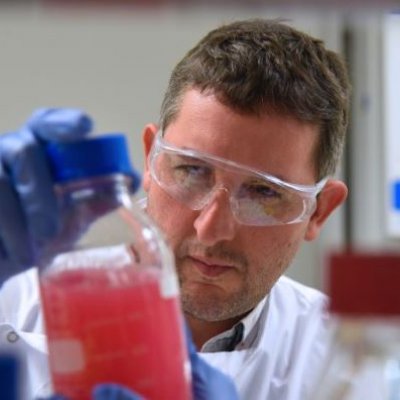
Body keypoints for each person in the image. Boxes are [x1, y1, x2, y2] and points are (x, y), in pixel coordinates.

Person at [0, 18, 351, 400]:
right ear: (151, 159)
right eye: (192, 170)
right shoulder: (14, 297)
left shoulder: (350, 360)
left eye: (264, 192)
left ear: (319, 210)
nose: (211, 228)